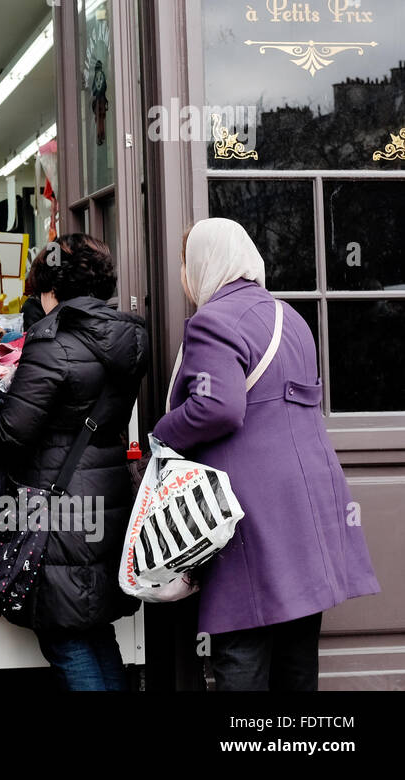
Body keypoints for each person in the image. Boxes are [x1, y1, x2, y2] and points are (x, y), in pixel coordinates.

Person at [152, 218, 379, 691]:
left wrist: (163, 431)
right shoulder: (288, 315)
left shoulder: (214, 321)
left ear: (203, 263)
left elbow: (219, 407)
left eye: (183, 264)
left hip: (252, 506)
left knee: (242, 639)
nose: (183, 276)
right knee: (297, 638)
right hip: (310, 496)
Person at [0, 233, 148, 691]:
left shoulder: (53, 344)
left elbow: (11, 430)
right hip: (105, 499)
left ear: (52, 288)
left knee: (64, 637)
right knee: (91, 627)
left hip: (57, 509)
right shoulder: (130, 338)